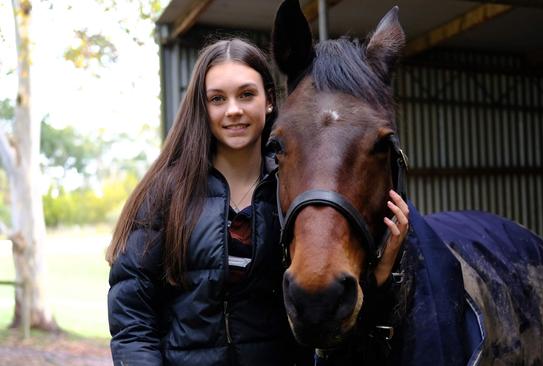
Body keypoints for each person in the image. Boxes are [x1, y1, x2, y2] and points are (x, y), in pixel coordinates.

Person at [106, 38, 409, 366]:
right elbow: (132, 317)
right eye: (217, 98)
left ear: (268, 100)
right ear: (202, 107)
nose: (233, 110)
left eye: (246, 94)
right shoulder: (165, 194)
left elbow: (338, 325)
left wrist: (380, 274)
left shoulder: (294, 198)